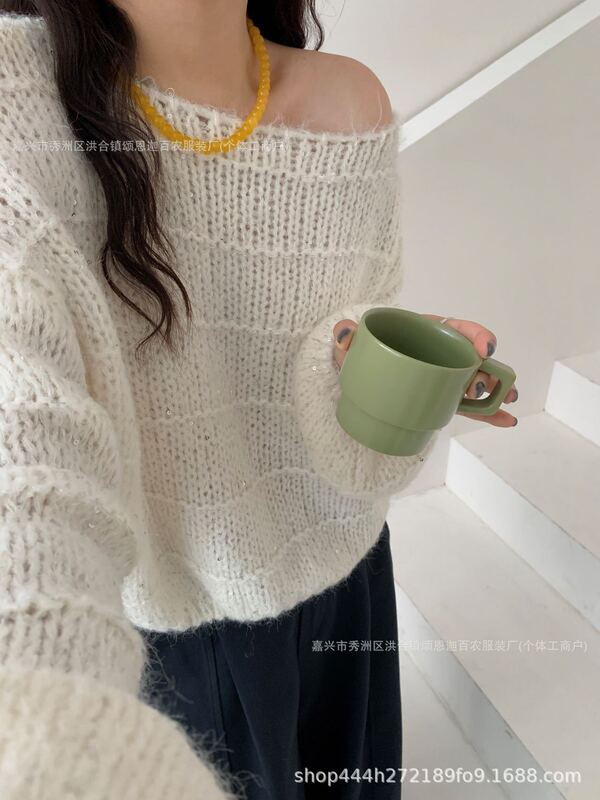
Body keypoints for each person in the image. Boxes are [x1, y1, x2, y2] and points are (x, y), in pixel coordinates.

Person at [0, 2, 519, 799]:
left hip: (348, 575)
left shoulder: (351, 103)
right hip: (177, 629)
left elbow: (326, 357)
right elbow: (25, 445)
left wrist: (385, 367)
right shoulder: (17, 102)